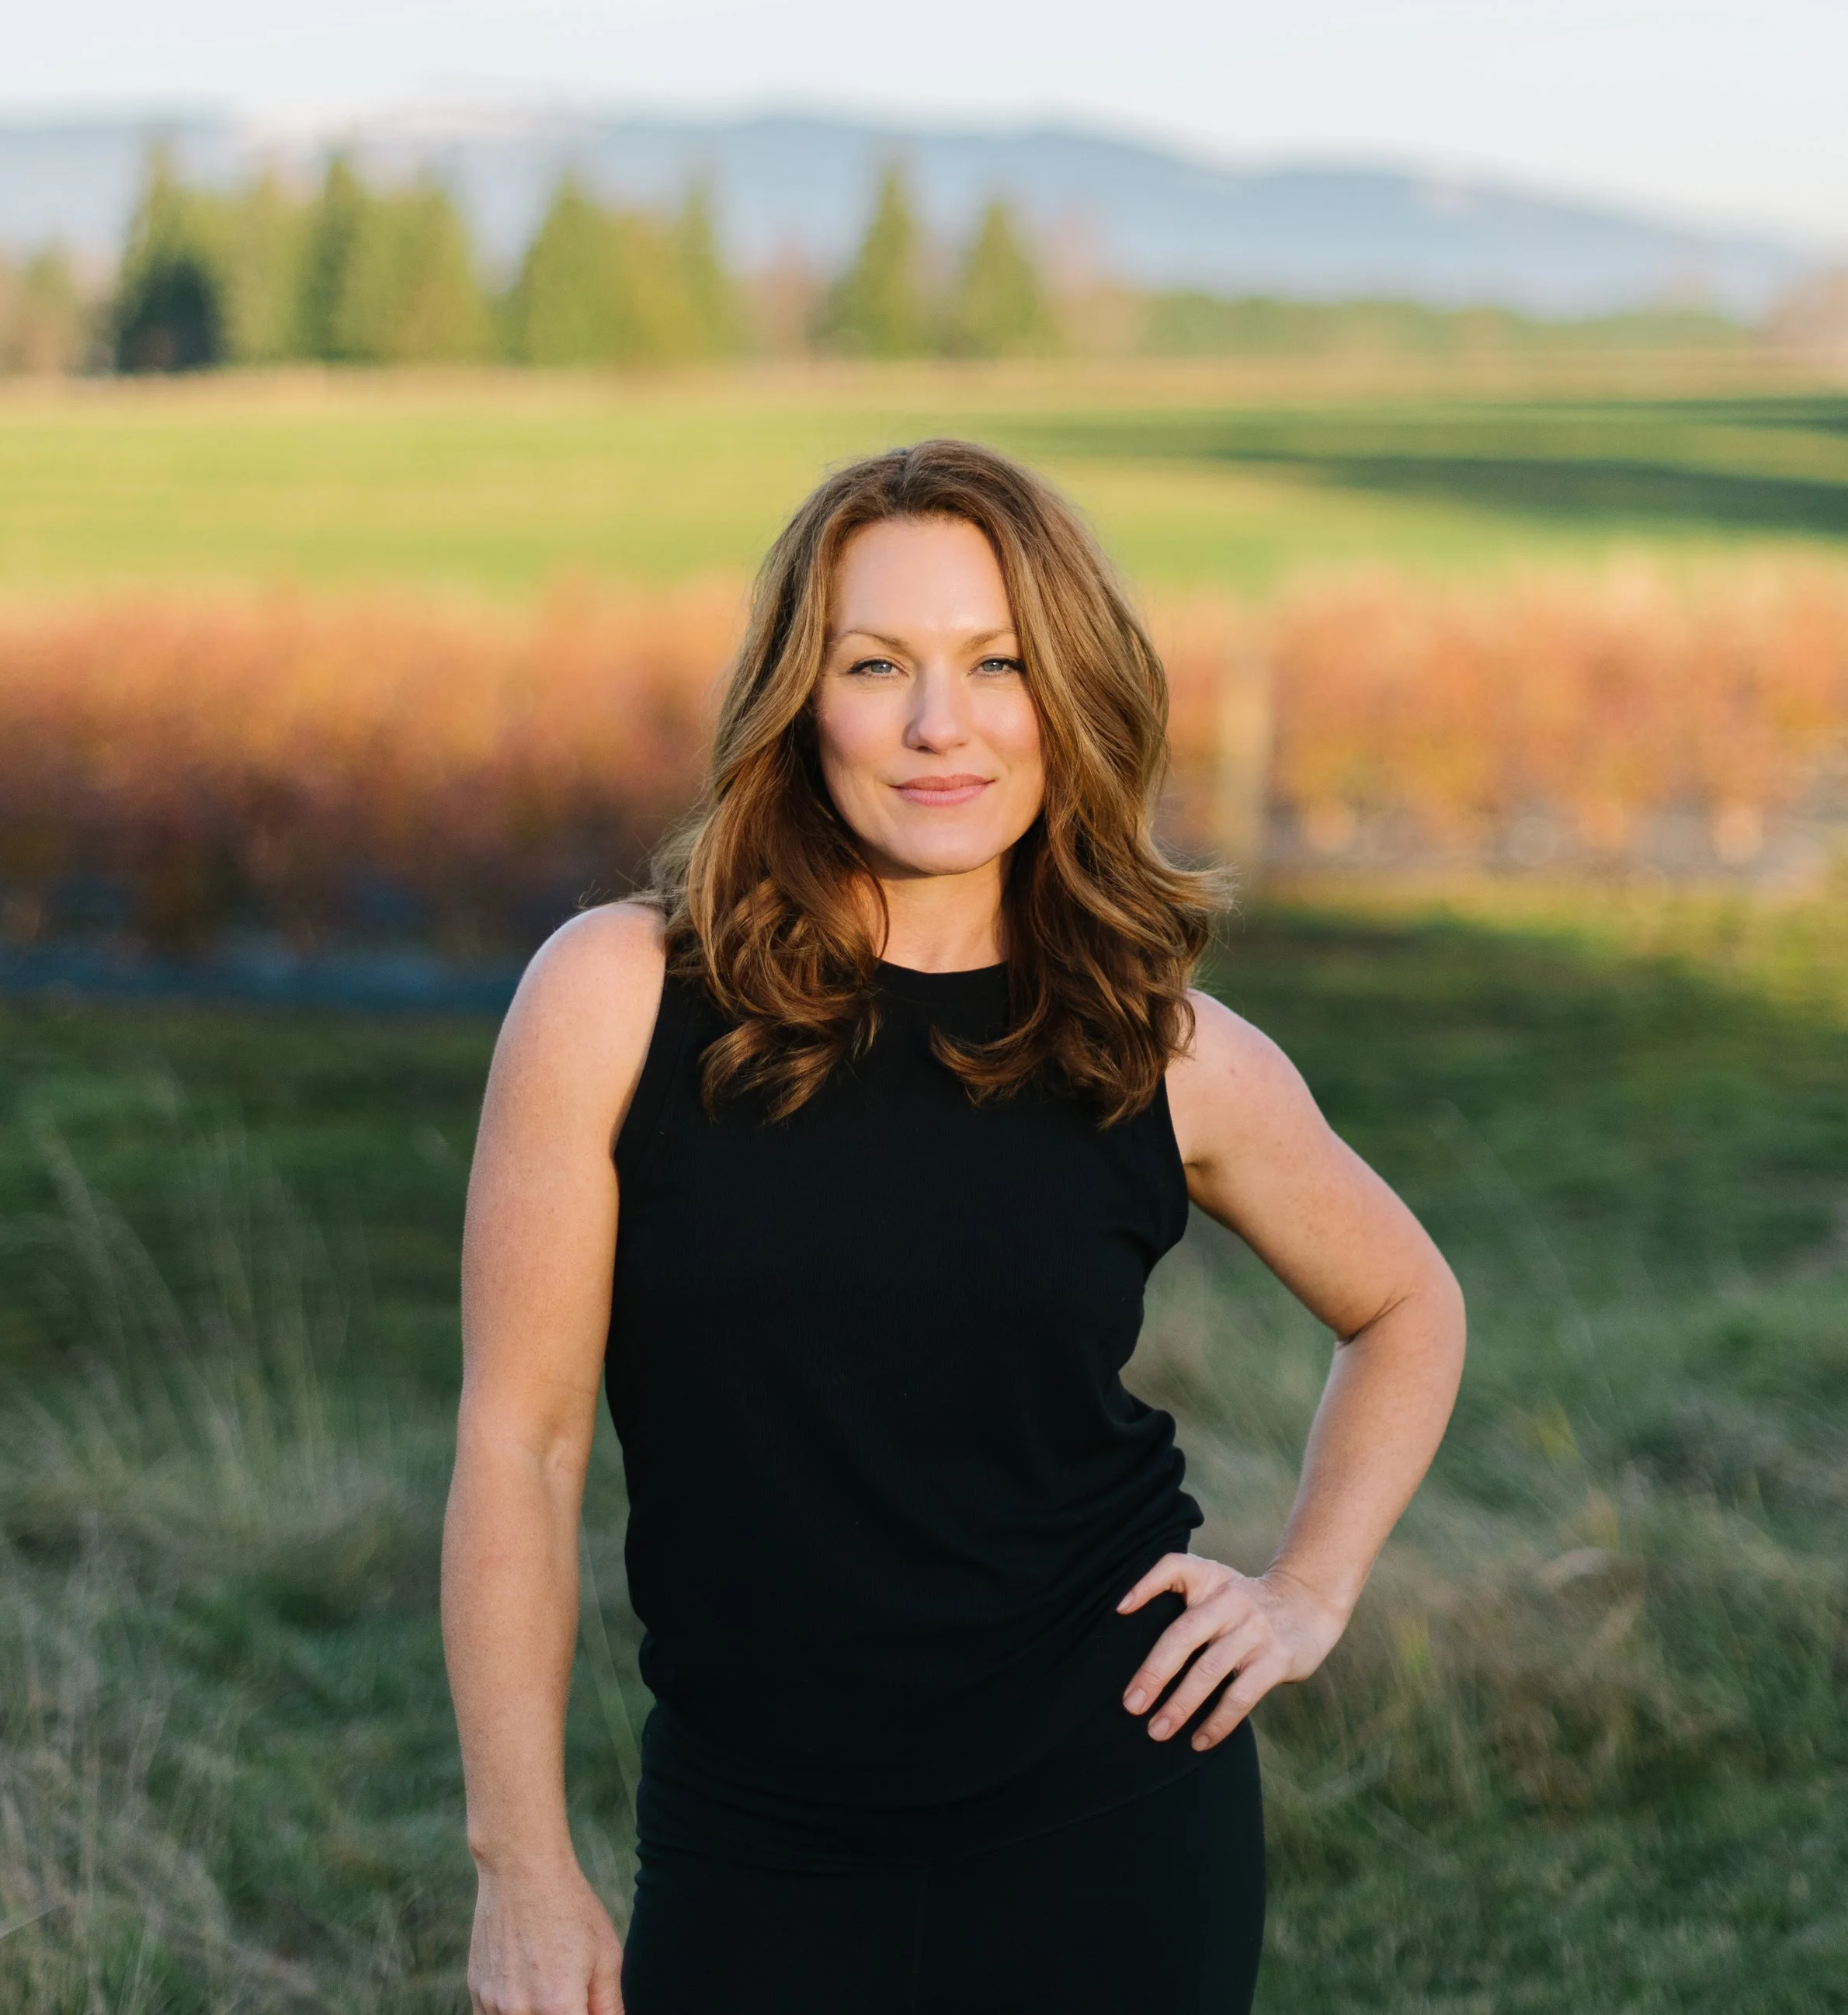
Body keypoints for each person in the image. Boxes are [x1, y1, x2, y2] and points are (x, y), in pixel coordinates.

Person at [443, 439, 1465, 2015]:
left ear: (1067, 693)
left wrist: (1306, 1588)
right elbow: (521, 1441)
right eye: (876, 664)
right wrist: (521, 1861)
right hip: (755, 1837)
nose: (942, 724)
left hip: (1113, 1812)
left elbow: (1404, 1301)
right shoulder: (615, 997)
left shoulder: (1162, 1049)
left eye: (996, 662)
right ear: (801, 699)